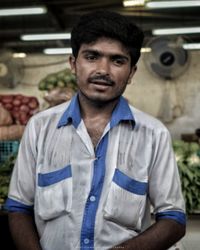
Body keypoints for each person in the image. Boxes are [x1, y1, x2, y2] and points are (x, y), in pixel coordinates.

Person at [5, 10, 186, 250]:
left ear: (131, 72)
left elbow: (173, 218)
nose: (103, 70)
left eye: (118, 60)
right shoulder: (40, 127)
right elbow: (19, 208)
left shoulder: (154, 134)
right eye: (92, 56)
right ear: (73, 63)